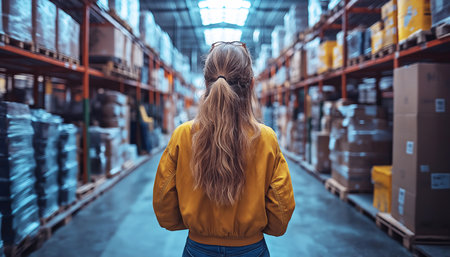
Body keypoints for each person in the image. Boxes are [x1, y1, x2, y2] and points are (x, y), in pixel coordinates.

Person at [153, 41, 295, 257]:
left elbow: (164, 202)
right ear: (251, 84)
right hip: (251, 249)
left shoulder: (182, 135)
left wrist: (192, 223)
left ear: (206, 83)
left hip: (197, 248)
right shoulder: (266, 138)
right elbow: (280, 212)